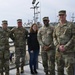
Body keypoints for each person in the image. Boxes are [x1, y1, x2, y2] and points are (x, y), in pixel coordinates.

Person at [53, 10, 75, 75]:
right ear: (58, 16)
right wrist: (58, 46)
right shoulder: (56, 26)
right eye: (60, 15)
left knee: (69, 71)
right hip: (59, 52)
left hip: (69, 52)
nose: (61, 16)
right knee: (59, 70)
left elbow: (74, 36)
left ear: (66, 15)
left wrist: (66, 46)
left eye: (63, 15)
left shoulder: (71, 25)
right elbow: (54, 37)